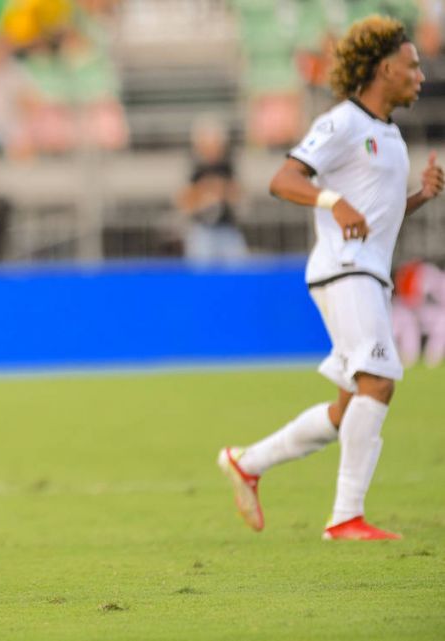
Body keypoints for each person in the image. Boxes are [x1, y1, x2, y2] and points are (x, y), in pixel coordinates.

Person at [217, 15, 443, 541]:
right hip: (346, 271)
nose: (421, 76)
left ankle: (248, 463)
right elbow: (283, 178)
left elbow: (375, 218)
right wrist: (332, 200)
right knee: (379, 382)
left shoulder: (388, 135)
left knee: (349, 407)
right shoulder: (343, 122)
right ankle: (346, 517)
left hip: (367, 272)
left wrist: (419, 198)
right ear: (384, 68)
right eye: (412, 66)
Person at [175, 116, 249, 263]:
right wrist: (203, 191)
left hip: (227, 228)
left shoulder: (228, 166)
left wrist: (222, 189)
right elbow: (183, 201)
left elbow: (239, 195)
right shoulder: (193, 168)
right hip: (202, 229)